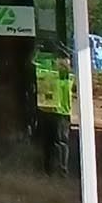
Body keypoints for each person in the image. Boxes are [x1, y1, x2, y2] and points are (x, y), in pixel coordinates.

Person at [34, 46, 74, 175]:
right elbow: (34, 65)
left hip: (61, 113)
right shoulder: (50, 74)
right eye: (60, 60)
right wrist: (37, 53)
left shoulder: (68, 77)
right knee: (49, 141)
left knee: (61, 141)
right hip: (49, 111)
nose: (62, 63)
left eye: (65, 61)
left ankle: (62, 168)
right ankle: (49, 168)